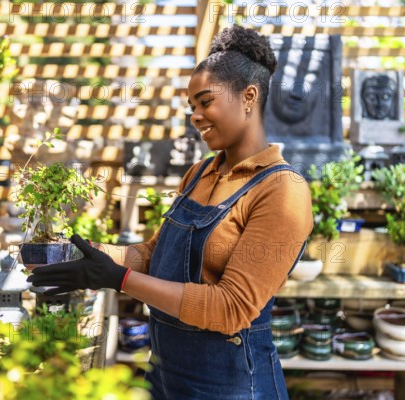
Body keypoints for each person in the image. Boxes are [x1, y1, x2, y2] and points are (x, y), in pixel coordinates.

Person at [28, 25, 313, 400]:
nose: (195, 116)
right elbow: (154, 256)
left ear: (249, 96)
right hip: (165, 375)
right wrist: (80, 253)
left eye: (205, 101)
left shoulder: (281, 190)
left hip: (232, 386)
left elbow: (232, 308)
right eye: (191, 106)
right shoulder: (199, 174)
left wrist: (120, 279)